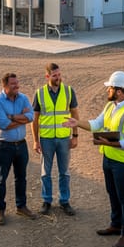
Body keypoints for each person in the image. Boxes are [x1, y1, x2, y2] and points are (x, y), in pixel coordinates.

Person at [64, 70, 124, 247]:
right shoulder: (109, 107)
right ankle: (115, 225)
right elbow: (96, 124)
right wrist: (77, 123)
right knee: (112, 193)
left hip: (122, 162)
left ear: (119, 91)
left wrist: (111, 143)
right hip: (108, 158)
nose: (107, 91)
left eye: (110, 88)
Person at [32, 63, 79, 216]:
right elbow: (35, 119)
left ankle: (64, 201)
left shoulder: (68, 91)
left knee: (64, 172)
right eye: (55, 76)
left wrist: (75, 135)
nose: (58, 78)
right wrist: (35, 140)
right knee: (45, 172)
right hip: (46, 140)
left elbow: (75, 115)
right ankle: (46, 200)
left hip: (64, 138)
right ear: (47, 77)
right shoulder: (39, 93)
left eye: (59, 75)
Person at [0, 72, 37, 225]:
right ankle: (0, 209)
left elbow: (31, 117)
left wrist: (12, 116)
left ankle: (21, 206)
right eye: (13, 84)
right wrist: (20, 118)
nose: (17, 86)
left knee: (21, 177)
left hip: (21, 144)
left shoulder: (23, 98)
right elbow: (4, 125)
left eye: (17, 83)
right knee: (1, 178)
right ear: (4, 85)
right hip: (4, 145)